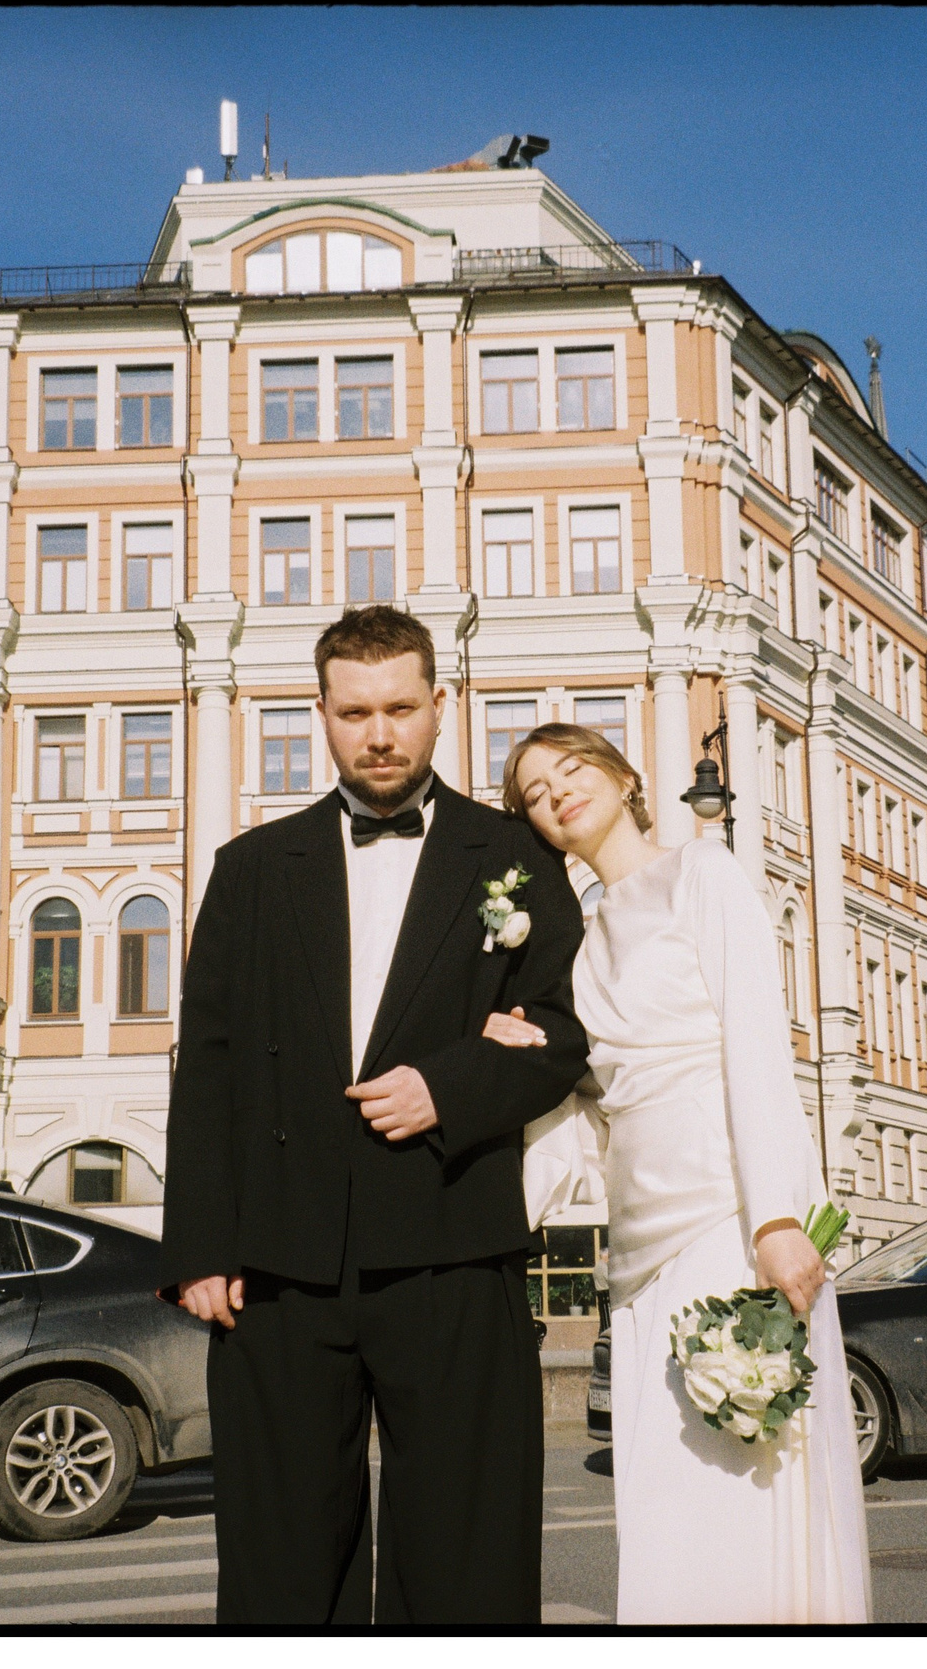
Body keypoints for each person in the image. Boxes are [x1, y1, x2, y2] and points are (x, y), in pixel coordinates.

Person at [158, 606, 592, 1625]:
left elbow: (564, 1038)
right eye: (355, 712)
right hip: (275, 1265)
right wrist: (199, 1248)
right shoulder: (251, 868)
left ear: (441, 708)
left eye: (401, 707)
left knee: (466, 1560)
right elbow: (208, 1068)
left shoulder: (514, 857)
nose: (380, 733)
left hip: (451, 1246)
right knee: (280, 1563)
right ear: (320, 714)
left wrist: (449, 1086)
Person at [492, 722, 871, 1625]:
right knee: (667, 1501)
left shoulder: (704, 870)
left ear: (626, 777)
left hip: (726, 1212)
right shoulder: (576, 940)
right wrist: (531, 1051)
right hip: (640, 1241)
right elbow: (592, 1098)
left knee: (746, 1480)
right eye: (534, 795)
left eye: (570, 769)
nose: (556, 795)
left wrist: (775, 1217)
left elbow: (753, 1041)